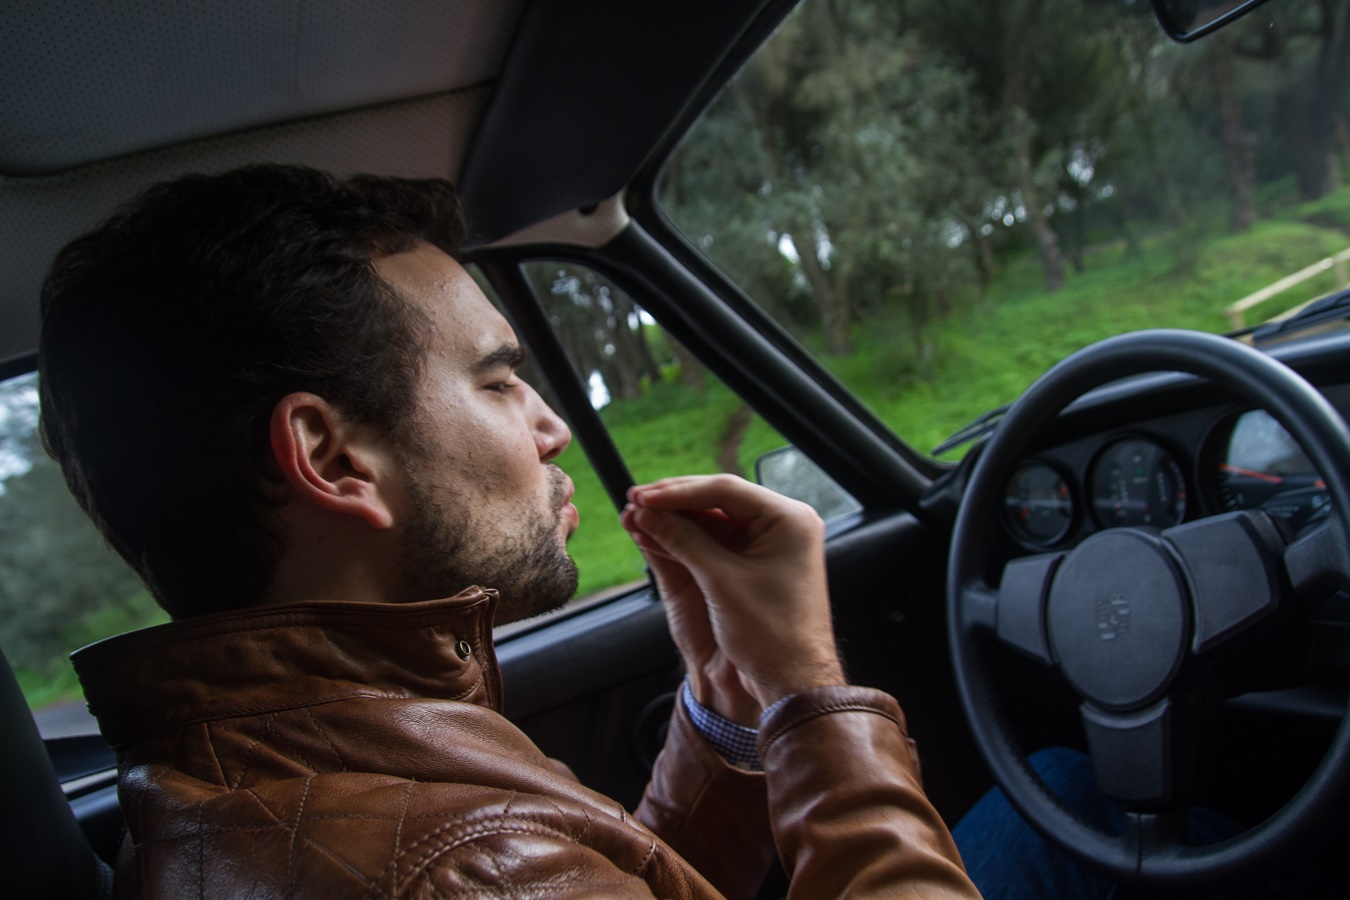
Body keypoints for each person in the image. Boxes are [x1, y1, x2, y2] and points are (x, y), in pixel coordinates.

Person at [38, 164, 979, 898]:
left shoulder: (234, 785)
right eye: (496, 381)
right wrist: (808, 689)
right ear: (330, 459)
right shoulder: (464, 870)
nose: (552, 428)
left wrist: (728, 706)